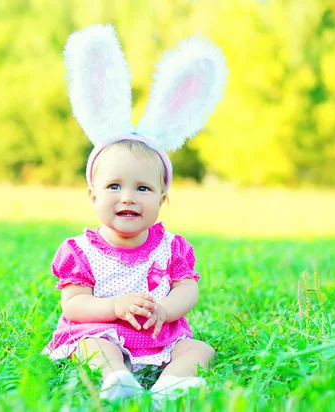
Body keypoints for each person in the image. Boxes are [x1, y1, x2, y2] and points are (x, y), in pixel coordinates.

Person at [42, 24, 227, 406]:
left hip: (162, 336)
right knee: (94, 346)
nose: (129, 197)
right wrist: (113, 307)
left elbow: (187, 289)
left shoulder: (172, 247)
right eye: (114, 187)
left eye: (143, 188)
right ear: (92, 195)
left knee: (201, 350)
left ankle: (169, 386)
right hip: (101, 330)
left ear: (162, 197)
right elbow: (73, 304)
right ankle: (116, 378)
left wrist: (165, 309)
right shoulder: (81, 251)